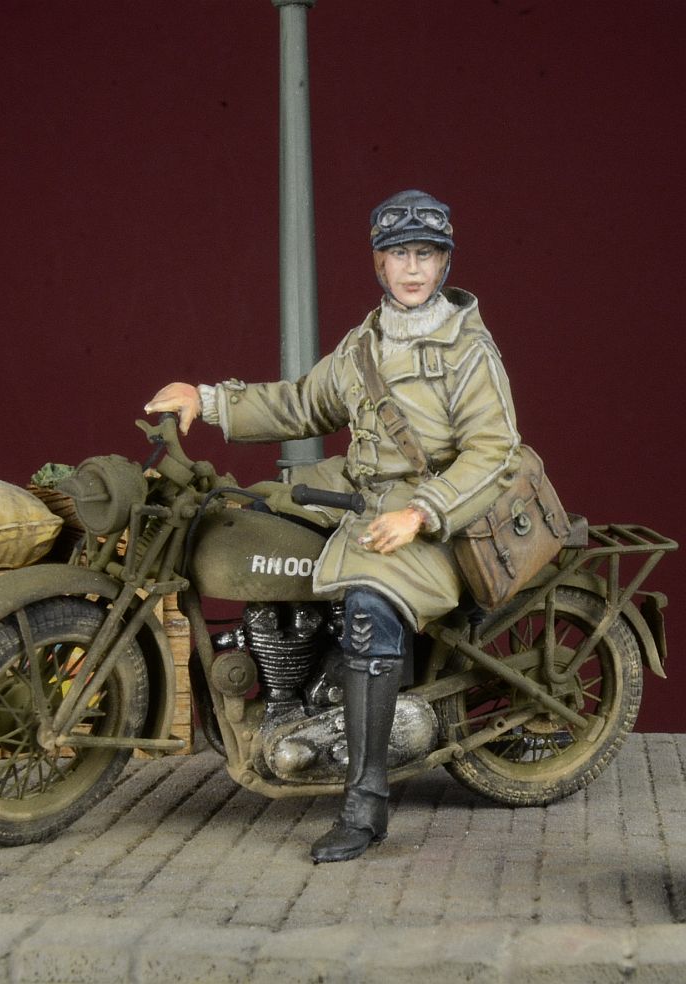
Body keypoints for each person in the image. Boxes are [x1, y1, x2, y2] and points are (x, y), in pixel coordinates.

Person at [145, 189, 522, 863]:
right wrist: (205, 399)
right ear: (379, 263)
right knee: (255, 513)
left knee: (371, 606)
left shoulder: (467, 349)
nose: (413, 268)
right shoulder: (363, 345)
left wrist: (420, 513)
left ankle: (365, 804)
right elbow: (301, 403)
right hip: (361, 490)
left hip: (440, 511)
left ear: (444, 262)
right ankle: (290, 672)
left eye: (426, 254)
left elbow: (493, 450)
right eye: (400, 254)